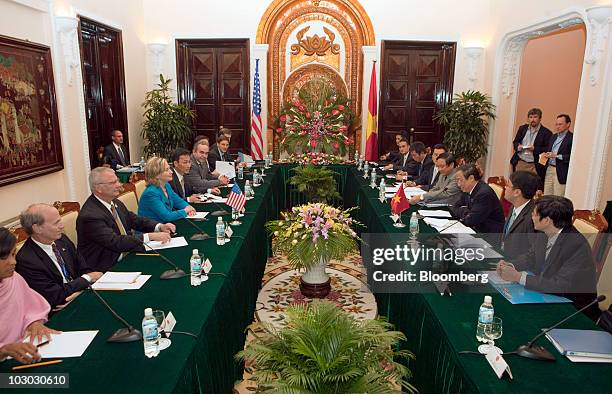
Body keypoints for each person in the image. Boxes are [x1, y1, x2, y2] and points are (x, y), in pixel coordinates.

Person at [497, 196, 598, 320]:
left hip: (574, 310)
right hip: (548, 295)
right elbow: (531, 257)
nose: (531, 217)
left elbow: (560, 285)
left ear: (547, 220)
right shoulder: (545, 232)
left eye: (534, 214)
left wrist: (518, 277)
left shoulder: (577, 245)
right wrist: (510, 265)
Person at [77, 167, 175, 272]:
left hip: (128, 253)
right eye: (113, 182)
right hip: (106, 268)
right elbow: (115, 242)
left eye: (118, 180)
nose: (119, 185)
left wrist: (159, 226)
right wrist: (149, 236)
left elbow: (134, 219)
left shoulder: (114, 202)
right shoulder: (90, 216)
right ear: (98, 188)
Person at [16, 204, 103, 309]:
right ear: (37, 228)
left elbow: (84, 268)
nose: (62, 226)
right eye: (56, 223)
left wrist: (81, 291)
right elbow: (55, 295)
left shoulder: (61, 240)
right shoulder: (26, 260)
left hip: (79, 296)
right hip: (57, 311)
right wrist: (86, 279)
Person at [0, 228, 58, 364]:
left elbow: (32, 309)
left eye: (13, 254)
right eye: (4, 257)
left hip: (26, 351)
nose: (13, 262)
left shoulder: (14, 278)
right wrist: (3, 350)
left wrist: (34, 322)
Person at [138, 157, 197, 223]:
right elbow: (167, 216)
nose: (171, 172)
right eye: (167, 170)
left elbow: (178, 201)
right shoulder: (151, 193)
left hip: (165, 226)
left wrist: (189, 207)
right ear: (156, 174)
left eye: (169, 168)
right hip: (151, 230)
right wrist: (185, 210)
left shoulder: (166, 186)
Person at [451, 164, 505, 233]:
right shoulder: (467, 189)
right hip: (476, 228)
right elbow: (455, 206)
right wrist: (466, 211)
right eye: (457, 181)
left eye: (460, 180)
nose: (458, 184)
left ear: (471, 178)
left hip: (488, 235)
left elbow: (470, 220)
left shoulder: (484, 194)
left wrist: (463, 210)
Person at [501, 171, 540, 259]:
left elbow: (533, 254)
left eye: (508, 185)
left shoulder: (533, 218)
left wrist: (510, 265)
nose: (505, 187)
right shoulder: (514, 206)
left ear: (517, 192)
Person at [510, 108, 552, 186]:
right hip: (521, 162)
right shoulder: (522, 128)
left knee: (531, 187)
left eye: (535, 117)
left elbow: (548, 149)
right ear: (528, 118)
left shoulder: (546, 132)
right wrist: (517, 146)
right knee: (518, 186)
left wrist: (535, 149)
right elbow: (515, 142)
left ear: (540, 118)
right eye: (531, 117)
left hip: (534, 165)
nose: (533, 119)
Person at [542, 114, 573, 196]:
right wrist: (546, 154)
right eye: (556, 124)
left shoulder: (572, 138)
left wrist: (557, 156)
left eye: (560, 124)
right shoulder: (553, 136)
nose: (558, 126)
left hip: (560, 171)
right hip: (549, 168)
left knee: (557, 197)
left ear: (568, 124)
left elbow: (572, 156)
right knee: (547, 196)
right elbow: (549, 150)